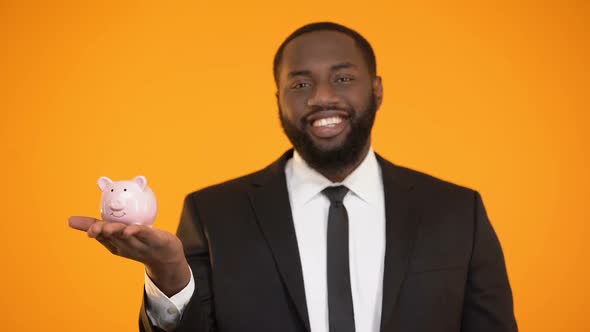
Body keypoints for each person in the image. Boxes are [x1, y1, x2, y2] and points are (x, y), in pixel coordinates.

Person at [69, 22, 518, 332]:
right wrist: (168, 274)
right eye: (300, 85)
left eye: (343, 78)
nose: (322, 97)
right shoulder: (214, 213)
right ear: (279, 99)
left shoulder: (457, 211)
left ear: (376, 90)